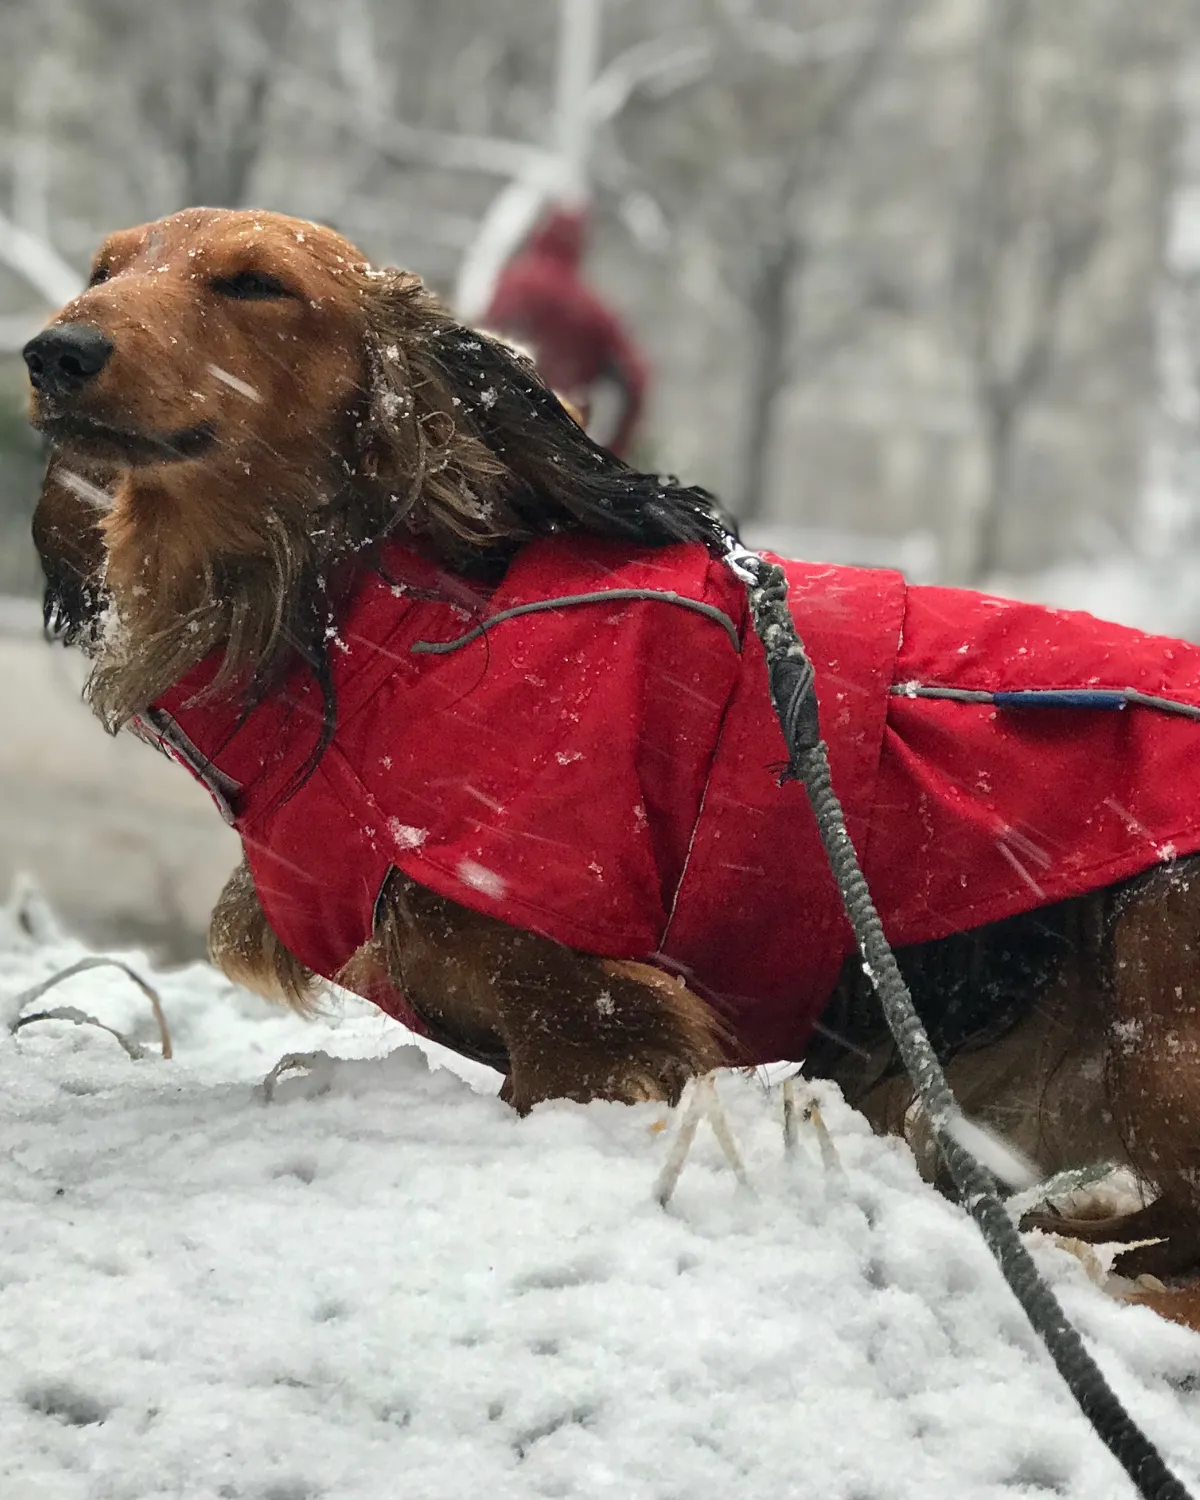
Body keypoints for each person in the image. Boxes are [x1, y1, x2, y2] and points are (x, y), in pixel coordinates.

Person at [482, 207, 648, 459]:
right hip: (558, 443)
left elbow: (480, 342)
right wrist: (614, 451)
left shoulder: (512, 285)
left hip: (492, 423)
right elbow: (636, 379)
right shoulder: (590, 309)